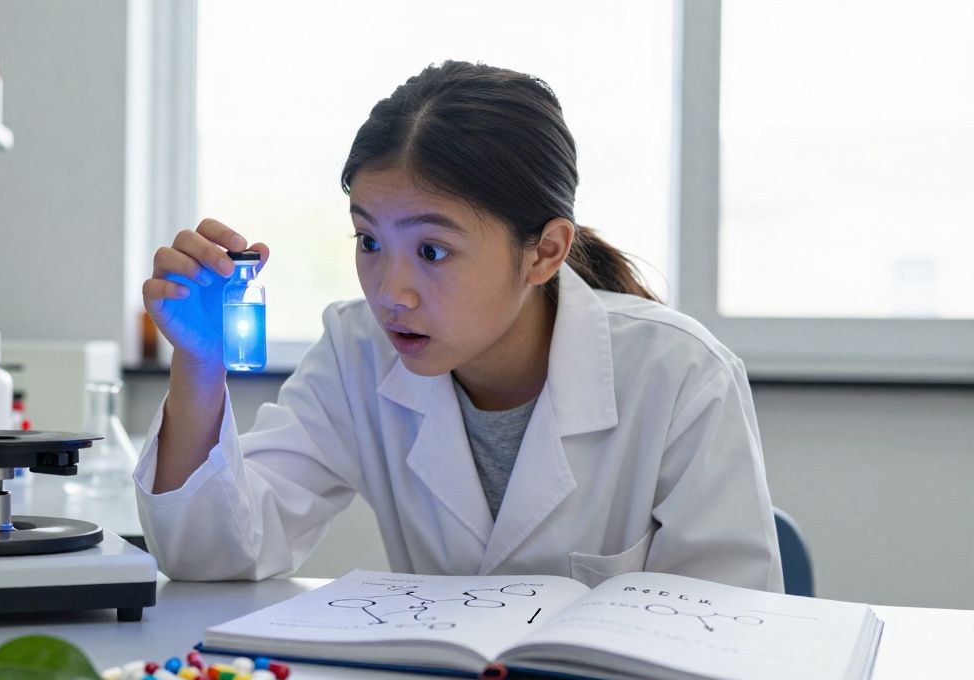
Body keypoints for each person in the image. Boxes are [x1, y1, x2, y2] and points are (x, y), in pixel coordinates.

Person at [135, 60, 783, 592]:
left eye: (432, 251)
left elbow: (728, 630)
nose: (391, 293)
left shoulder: (679, 376)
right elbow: (210, 557)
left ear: (545, 252)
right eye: (368, 241)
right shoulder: (359, 352)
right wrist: (198, 361)